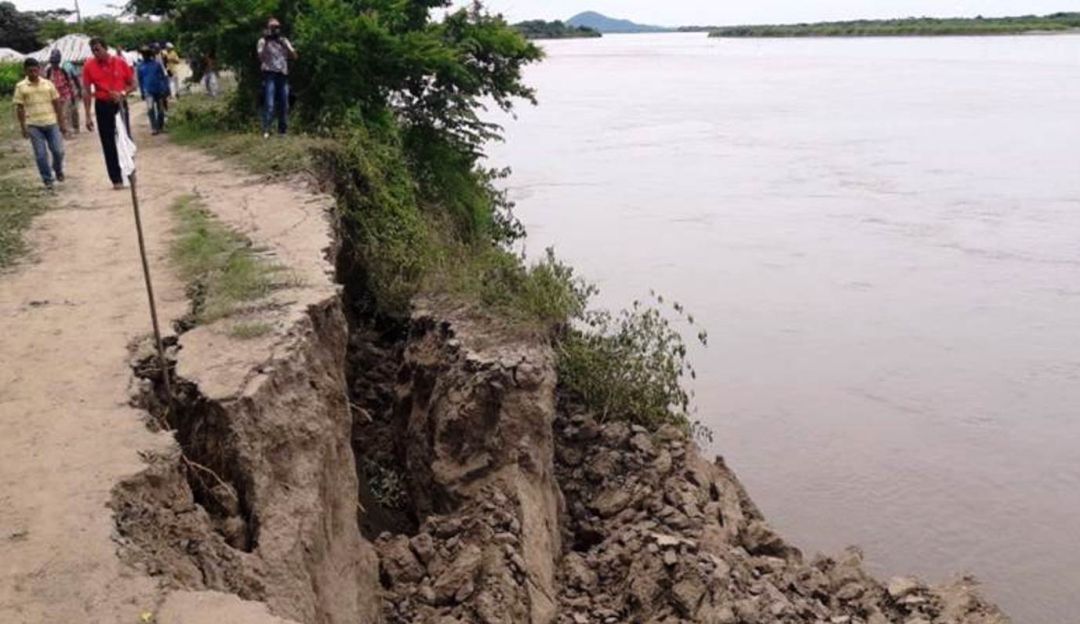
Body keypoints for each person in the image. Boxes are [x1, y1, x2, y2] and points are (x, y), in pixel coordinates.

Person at [82, 37, 136, 190]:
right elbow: (86, 91)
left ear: (106, 48)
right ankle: (116, 179)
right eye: (93, 50)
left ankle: (130, 173)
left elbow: (133, 84)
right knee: (108, 142)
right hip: (102, 105)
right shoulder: (89, 66)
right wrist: (87, 115)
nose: (96, 53)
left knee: (124, 139)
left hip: (119, 104)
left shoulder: (120, 62)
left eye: (98, 49)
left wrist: (123, 93)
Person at [12, 58, 67, 189]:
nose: (33, 73)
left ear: (39, 70)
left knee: (58, 151)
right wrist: (23, 127)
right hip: (34, 125)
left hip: (51, 123)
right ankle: (47, 180)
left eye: (36, 70)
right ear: (25, 71)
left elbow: (57, 103)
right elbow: (20, 108)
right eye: (30, 71)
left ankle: (57, 169)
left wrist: (61, 122)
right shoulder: (21, 87)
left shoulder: (48, 84)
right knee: (41, 155)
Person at [257, 18, 297, 138]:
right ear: (268, 28)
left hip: (282, 74)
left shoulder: (283, 40)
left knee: (284, 103)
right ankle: (266, 130)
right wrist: (267, 41)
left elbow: (295, 56)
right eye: (273, 27)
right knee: (269, 103)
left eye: (277, 27)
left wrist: (286, 46)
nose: (275, 29)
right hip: (270, 74)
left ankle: (282, 131)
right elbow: (260, 57)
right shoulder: (262, 41)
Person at [45, 49, 82, 136]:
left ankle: (69, 130)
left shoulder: (65, 68)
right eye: (53, 62)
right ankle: (62, 130)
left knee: (67, 113)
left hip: (66, 95)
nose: (54, 64)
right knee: (58, 114)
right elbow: (46, 84)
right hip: (55, 97)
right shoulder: (49, 71)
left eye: (56, 62)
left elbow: (71, 81)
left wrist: (76, 93)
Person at [137, 47, 170, 135]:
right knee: (150, 109)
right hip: (148, 91)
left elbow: (163, 77)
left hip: (159, 90)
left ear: (150, 55)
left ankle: (161, 126)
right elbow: (140, 81)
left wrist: (165, 88)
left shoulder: (157, 64)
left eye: (147, 54)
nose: (145, 56)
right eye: (144, 54)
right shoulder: (140, 66)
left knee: (161, 110)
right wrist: (142, 92)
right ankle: (154, 128)